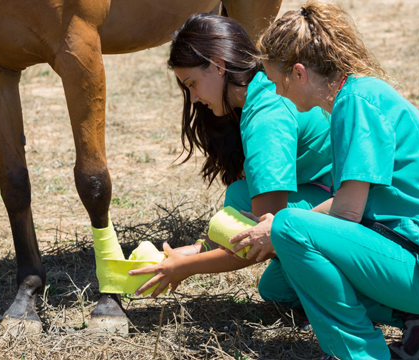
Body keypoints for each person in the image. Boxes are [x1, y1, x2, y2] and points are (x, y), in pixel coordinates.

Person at [224, 1, 419, 359]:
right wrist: (283, 231)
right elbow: (351, 200)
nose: (277, 94)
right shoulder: (357, 94)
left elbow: (347, 212)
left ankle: (362, 354)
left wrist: (278, 229)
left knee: (288, 230)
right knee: (279, 280)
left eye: (275, 82)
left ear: (299, 73)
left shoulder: (355, 103)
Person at [130, 13, 335, 312]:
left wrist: (188, 268)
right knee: (275, 288)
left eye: (192, 84)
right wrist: (186, 254)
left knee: (242, 204)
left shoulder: (266, 117)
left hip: (355, 212)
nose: (194, 98)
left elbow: (263, 237)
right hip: (328, 196)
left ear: (218, 65)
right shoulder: (261, 87)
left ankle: (376, 297)